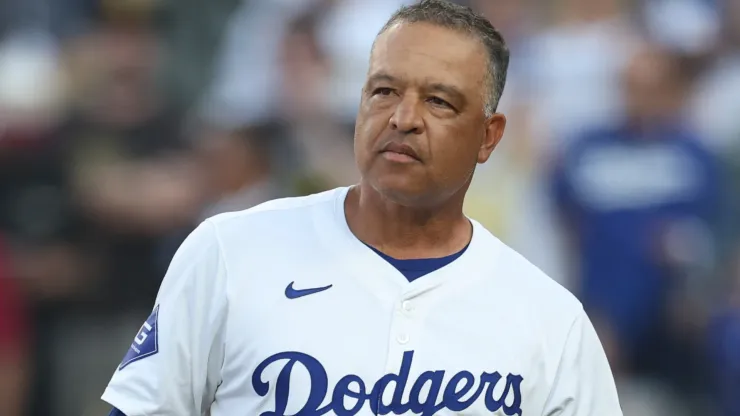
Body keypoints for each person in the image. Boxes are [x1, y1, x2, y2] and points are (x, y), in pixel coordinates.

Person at [102, 1, 622, 415]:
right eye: (384, 91)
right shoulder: (228, 252)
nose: (403, 118)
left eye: (439, 101)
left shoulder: (551, 320)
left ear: (489, 137)